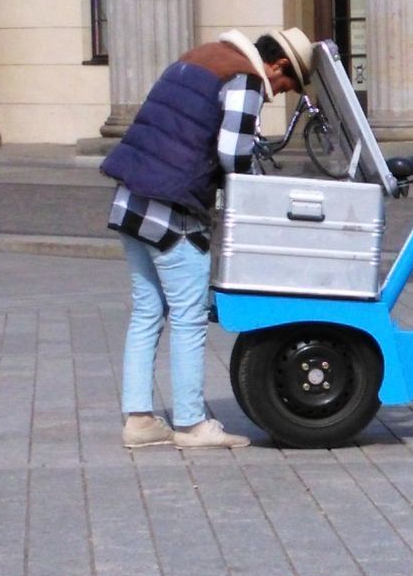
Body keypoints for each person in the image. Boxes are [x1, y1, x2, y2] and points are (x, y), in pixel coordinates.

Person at [102, 27, 315, 448]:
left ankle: (139, 420)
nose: (276, 93)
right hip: (171, 210)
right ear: (279, 65)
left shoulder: (200, 56)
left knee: (148, 311)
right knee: (189, 315)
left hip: (130, 201)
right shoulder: (246, 78)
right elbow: (232, 153)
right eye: (285, 84)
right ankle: (191, 424)